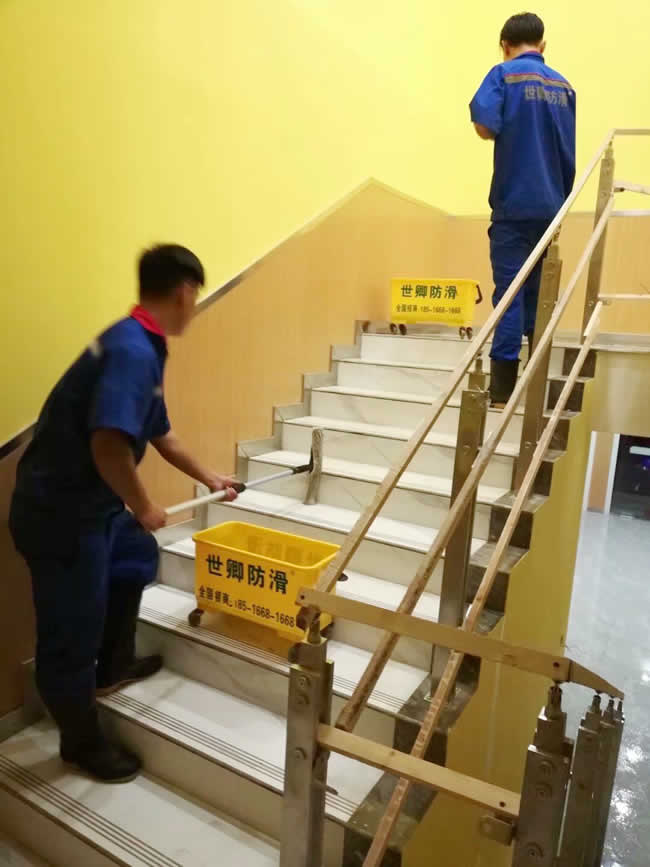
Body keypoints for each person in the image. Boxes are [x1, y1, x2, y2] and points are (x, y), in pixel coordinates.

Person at [10, 244, 238, 783]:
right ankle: (80, 741)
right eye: (195, 297)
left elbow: (161, 433)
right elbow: (108, 445)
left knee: (135, 555)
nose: (195, 307)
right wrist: (144, 505)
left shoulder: (142, 343)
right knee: (71, 631)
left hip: (94, 506)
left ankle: (113, 665)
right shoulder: (131, 350)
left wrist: (210, 478)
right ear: (184, 292)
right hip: (61, 516)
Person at [470, 12, 576, 406]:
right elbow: (566, 148)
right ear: (542, 45)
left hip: (514, 206)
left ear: (505, 45)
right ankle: (536, 383)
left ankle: (501, 390)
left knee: (510, 295)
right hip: (552, 207)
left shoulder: (503, 75)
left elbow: (485, 125)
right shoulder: (564, 87)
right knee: (538, 295)